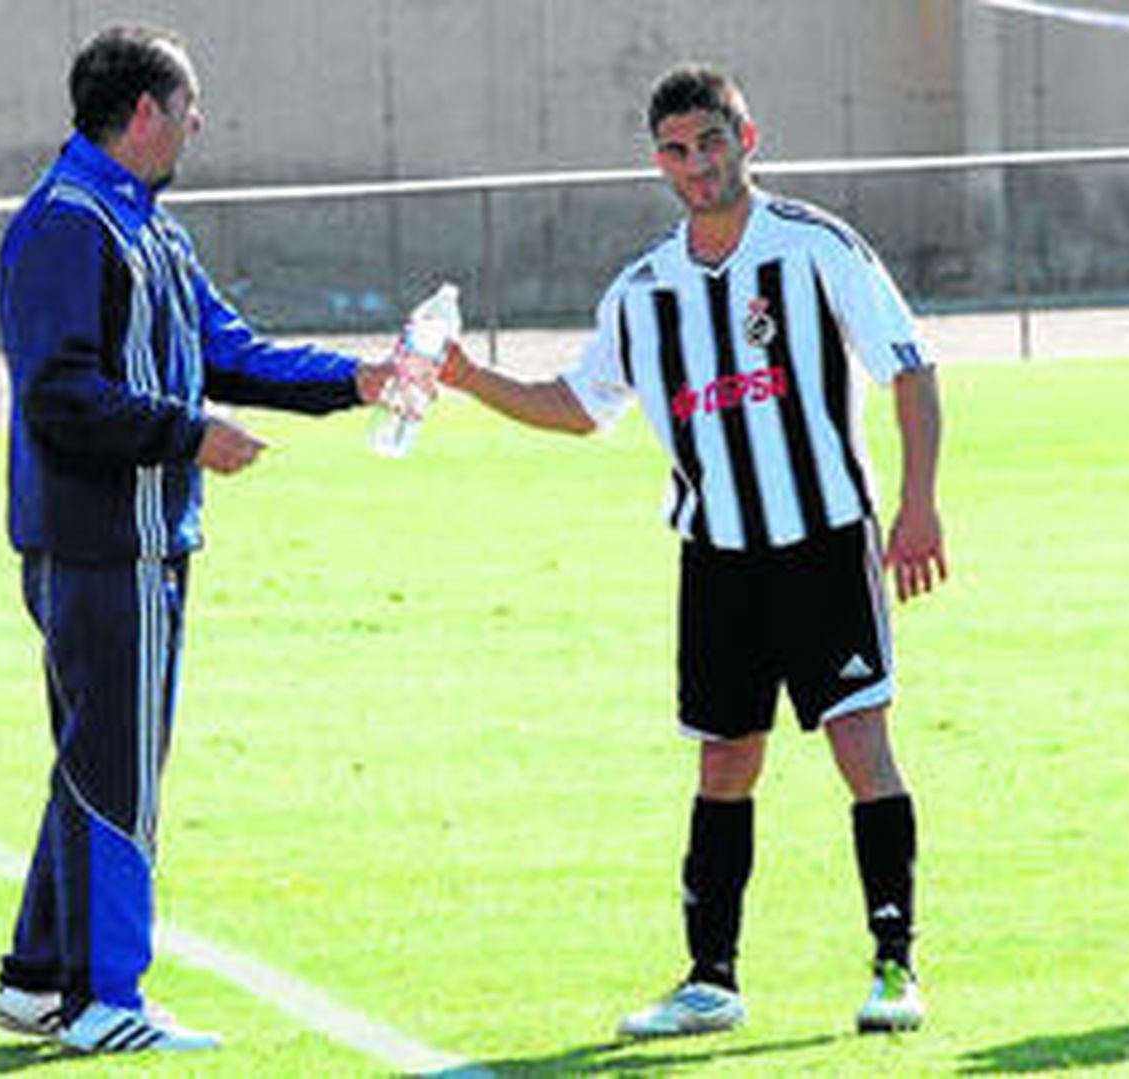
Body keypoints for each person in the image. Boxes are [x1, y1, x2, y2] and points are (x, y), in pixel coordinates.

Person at [438, 65, 945, 1038]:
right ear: (657, 160)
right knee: (723, 762)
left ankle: (894, 963)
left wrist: (918, 505)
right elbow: (578, 407)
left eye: (710, 141)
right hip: (716, 557)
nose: (695, 163)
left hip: (825, 541)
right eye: (676, 148)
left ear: (746, 140)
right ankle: (709, 977)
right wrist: (466, 375)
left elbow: (909, 372)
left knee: (858, 744)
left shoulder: (816, 249)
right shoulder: (645, 289)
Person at [0, 24, 401, 1055]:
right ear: (142, 114)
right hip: (98, 540)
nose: (198, 124)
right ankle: (105, 996)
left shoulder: (148, 226)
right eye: (187, 106)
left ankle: (39, 977)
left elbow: (230, 349)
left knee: (100, 755)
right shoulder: (67, 222)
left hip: (150, 536)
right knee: (117, 768)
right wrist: (187, 432)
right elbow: (58, 394)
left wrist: (357, 380)